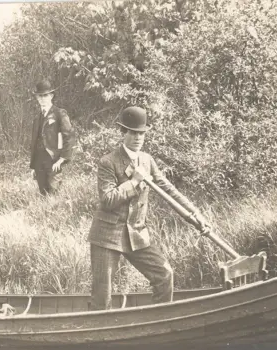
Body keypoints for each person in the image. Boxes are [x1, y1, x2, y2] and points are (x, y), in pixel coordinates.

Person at [87, 106, 210, 310]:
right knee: (102, 297)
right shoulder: (108, 162)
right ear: (123, 132)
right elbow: (107, 199)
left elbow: (169, 190)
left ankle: (159, 323)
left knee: (164, 275)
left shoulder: (147, 160)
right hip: (107, 235)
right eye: (133, 132)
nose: (138, 138)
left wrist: (196, 215)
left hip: (136, 233)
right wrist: (134, 182)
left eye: (141, 133)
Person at [29, 79, 75, 195]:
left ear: (51, 96)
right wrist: (34, 165)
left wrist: (62, 159)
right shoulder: (37, 118)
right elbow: (34, 141)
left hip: (53, 160)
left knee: (54, 193)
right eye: (39, 96)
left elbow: (68, 136)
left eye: (45, 95)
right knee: (43, 193)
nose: (42, 99)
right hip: (39, 160)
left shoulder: (59, 113)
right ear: (37, 98)